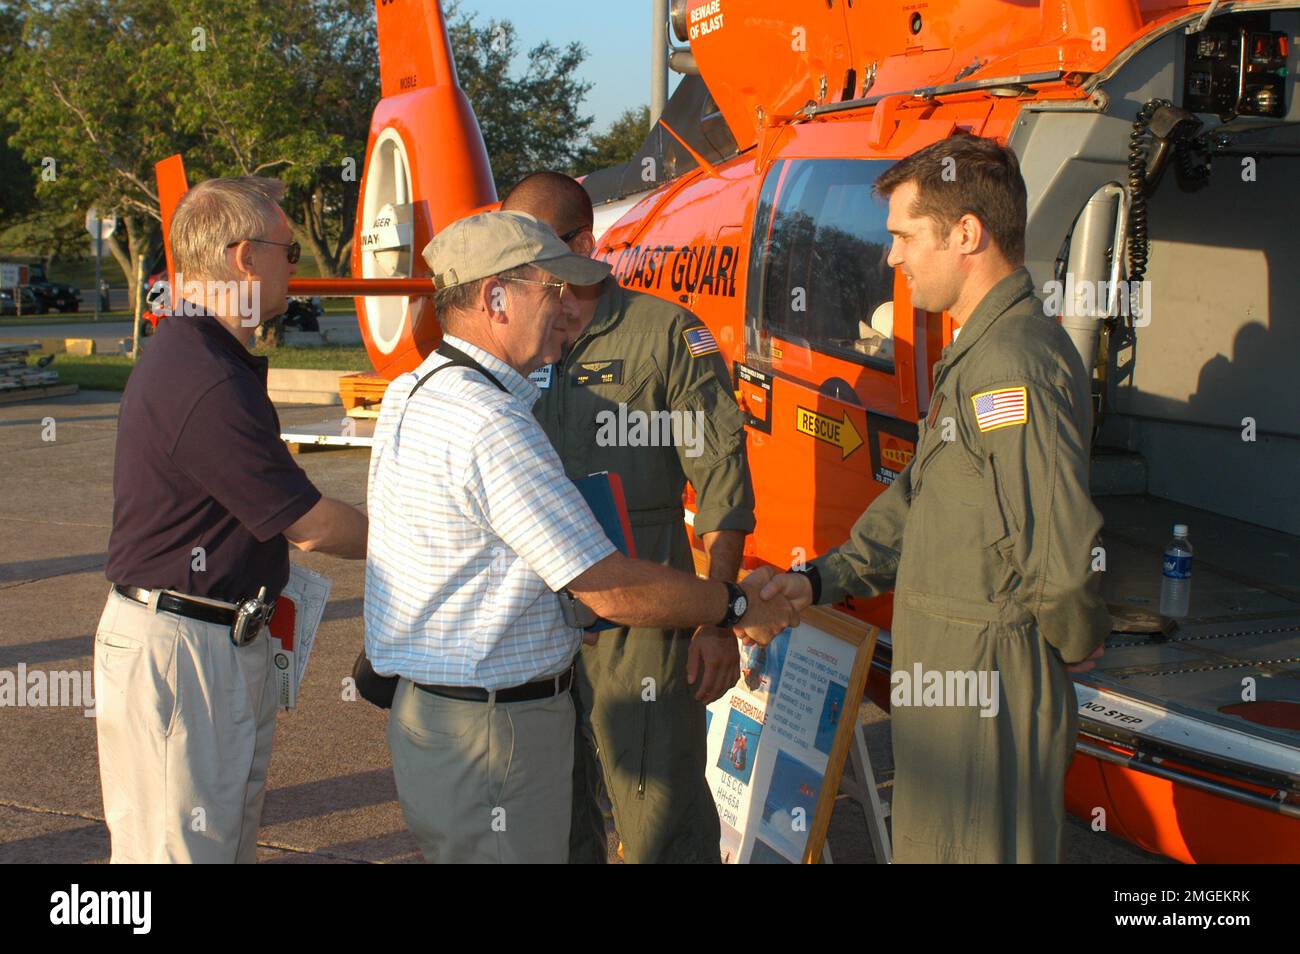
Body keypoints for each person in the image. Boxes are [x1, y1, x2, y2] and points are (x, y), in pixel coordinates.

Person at [364, 210, 796, 864]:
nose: (566, 309)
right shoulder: (489, 420)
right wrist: (736, 605)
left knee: (657, 816)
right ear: (495, 299)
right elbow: (610, 588)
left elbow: (718, 474)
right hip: (505, 717)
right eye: (551, 289)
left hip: (498, 694)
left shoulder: (414, 391)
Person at [755, 133, 1109, 863]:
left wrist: (1074, 640)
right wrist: (817, 578)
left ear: (967, 235)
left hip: (988, 691)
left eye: (905, 236)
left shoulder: (1012, 367)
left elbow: (1059, 551)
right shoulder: (979, 357)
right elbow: (913, 504)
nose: (894, 258)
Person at [97, 176, 368, 863]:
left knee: (216, 847)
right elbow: (306, 522)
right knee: (181, 855)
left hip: (211, 636)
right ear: (245, 257)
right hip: (184, 648)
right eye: (291, 251)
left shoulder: (207, 356)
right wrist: (422, 537)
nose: (297, 269)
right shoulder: (205, 374)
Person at [503, 171, 754, 864]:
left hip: (642, 621)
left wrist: (716, 618)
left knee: (658, 818)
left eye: (536, 248)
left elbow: (722, 478)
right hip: (535, 615)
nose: (521, 266)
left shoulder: (668, 336)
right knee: (554, 817)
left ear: (585, 244)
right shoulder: (513, 342)